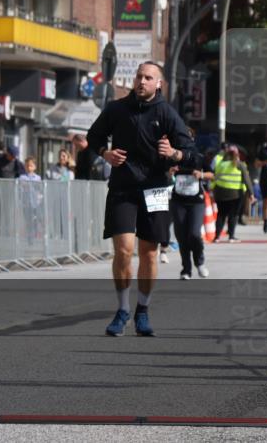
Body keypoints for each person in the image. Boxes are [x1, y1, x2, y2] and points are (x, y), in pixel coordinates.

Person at [86, 61, 196, 337]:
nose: (142, 81)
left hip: (155, 189)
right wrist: (105, 153)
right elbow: (93, 136)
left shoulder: (166, 113)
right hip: (122, 188)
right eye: (139, 76)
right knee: (124, 250)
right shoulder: (116, 109)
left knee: (148, 253)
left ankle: (143, 310)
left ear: (158, 83)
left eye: (148, 77)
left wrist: (174, 153)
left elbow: (191, 152)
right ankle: (123, 309)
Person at [169, 152, 212, 279]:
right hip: (178, 202)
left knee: (194, 234)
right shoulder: (172, 157)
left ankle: (200, 262)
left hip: (196, 202)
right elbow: (164, 173)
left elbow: (212, 174)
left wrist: (201, 174)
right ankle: (186, 270)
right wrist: (169, 172)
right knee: (181, 236)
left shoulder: (199, 157)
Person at [212, 144, 254, 243]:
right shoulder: (240, 164)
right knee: (233, 215)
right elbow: (247, 179)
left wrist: (213, 191)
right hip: (236, 194)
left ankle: (217, 237)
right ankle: (231, 236)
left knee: (221, 215)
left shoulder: (221, 164)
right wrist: (251, 193)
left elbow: (215, 178)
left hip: (220, 193)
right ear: (237, 154)